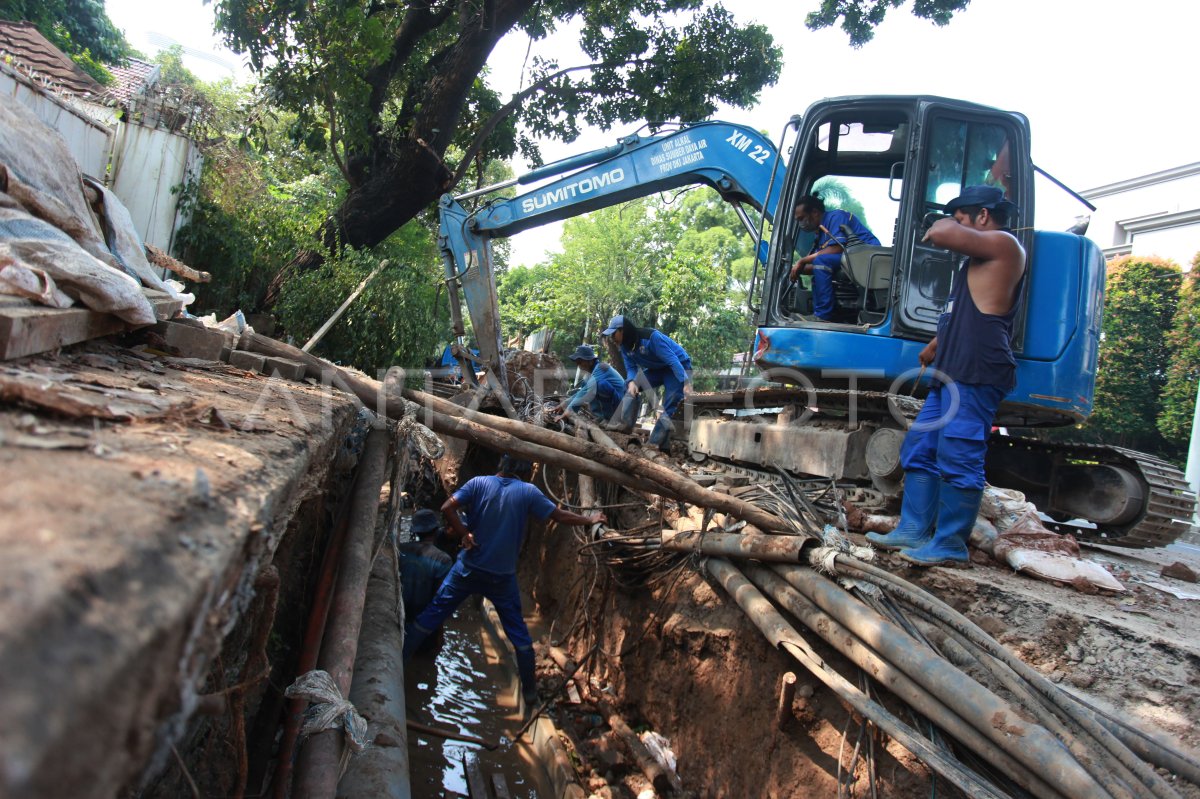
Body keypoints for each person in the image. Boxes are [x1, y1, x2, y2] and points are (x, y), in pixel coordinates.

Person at [866, 185, 1026, 566]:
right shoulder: (977, 262)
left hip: (977, 371)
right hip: (951, 370)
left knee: (958, 453)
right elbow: (968, 314)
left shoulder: (1004, 245)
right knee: (920, 449)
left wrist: (941, 223)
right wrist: (937, 343)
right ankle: (914, 529)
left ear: (983, 216)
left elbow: (939, 233)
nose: (954, 225)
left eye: (961, 217)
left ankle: (950, 543)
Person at [402, 455, 605, 705]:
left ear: (501, 466)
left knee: (430, 617)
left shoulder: (477, 483)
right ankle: (530, 694)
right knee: (520, 638)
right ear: (526, 471)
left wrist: (465, 534)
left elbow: (447, 507)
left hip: (468, 569)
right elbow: (560, 516)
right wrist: (590, 519)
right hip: (501, 577)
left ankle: (400, 666)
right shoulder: (528, 492)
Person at [601, 314, 692, 452]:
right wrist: (632, 381)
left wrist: (686, 382)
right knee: (631, 386)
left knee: (671, 402)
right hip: (658, 368)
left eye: (613, 334)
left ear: (622, 331)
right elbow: (631, 367)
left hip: (678, 366)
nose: (612, 339)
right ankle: (624, 426)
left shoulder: (651, 338)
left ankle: (654, 443)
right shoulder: (625, 347)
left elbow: (673, 361)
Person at [788, 194, 880, 322]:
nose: (800, 223)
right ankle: (820, 313)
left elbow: (837, 248)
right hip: (850, 259)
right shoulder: (820, 234)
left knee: (821, 261)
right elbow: (815, 266)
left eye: (802, 218)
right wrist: (795, 269)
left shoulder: (836, 216)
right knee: (819, 267)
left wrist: (802, 261)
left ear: (814, 212)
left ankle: (822, 316)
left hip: (866, 257)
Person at [398, 509, 454, 622]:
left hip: (400, 615)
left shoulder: (400, 550)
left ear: (414, 531)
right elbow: (440, 599)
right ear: (436, 530)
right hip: (425, 621)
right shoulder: (443, 560)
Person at [551, 344, 626, 422]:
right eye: (577, 362)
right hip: (617, 404)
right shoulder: (589, 374)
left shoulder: (601, 368)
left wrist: (568, 411)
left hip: (622, 407)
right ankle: (600, 417)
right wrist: (564, 404)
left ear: (590, 361)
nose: (578, 365)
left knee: (600, 385)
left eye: (580, 362)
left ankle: (608, 419)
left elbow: (585, 392)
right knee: (585, 384)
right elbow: (582, 392)